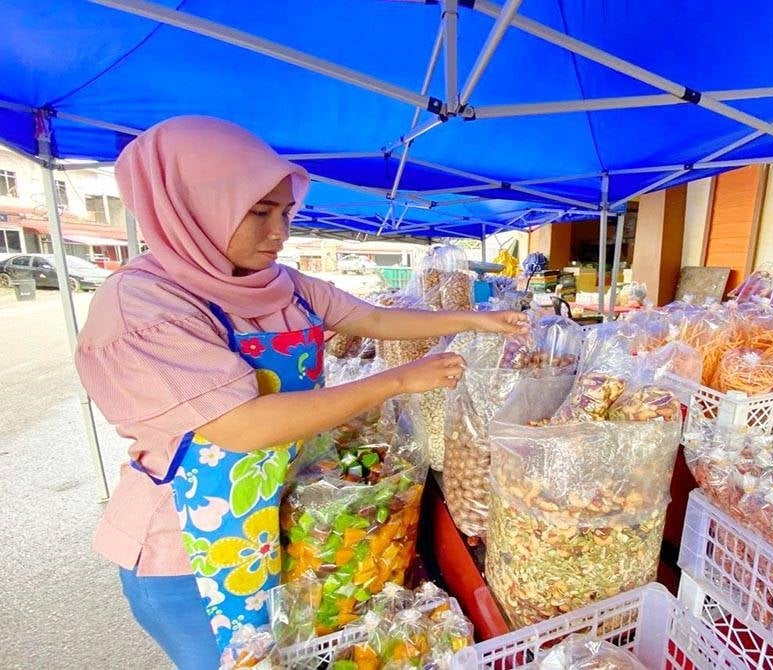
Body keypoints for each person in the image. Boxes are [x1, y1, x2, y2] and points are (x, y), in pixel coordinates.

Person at [74, 116, 527, 669]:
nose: (279, 233)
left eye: (287, 213)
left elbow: (371, 319)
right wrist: (400, 380)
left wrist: (476, 320)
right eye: (259, 212)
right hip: (190, 550)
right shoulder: (144, 306)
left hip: (283, 518)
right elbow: (241, 426)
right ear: (192, 207)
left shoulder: (282, 286)